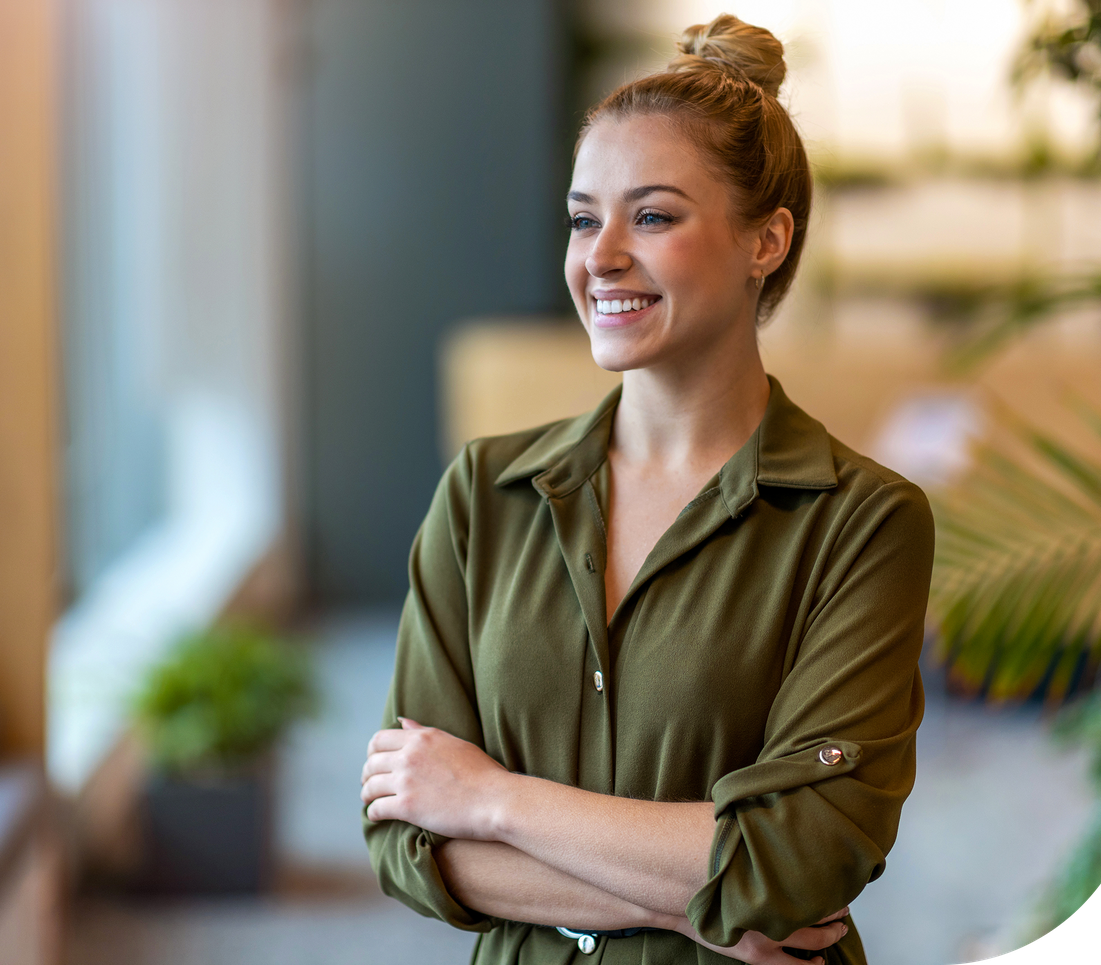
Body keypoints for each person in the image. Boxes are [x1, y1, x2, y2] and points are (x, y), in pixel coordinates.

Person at [360, 13, 934, 965]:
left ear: (767, 240)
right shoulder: (482, 496)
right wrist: (690, 904)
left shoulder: (862, 523)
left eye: (654, 215)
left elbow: (796, 864)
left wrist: (493, 799)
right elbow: (406, 836)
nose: (602, 255)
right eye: (585, 217)